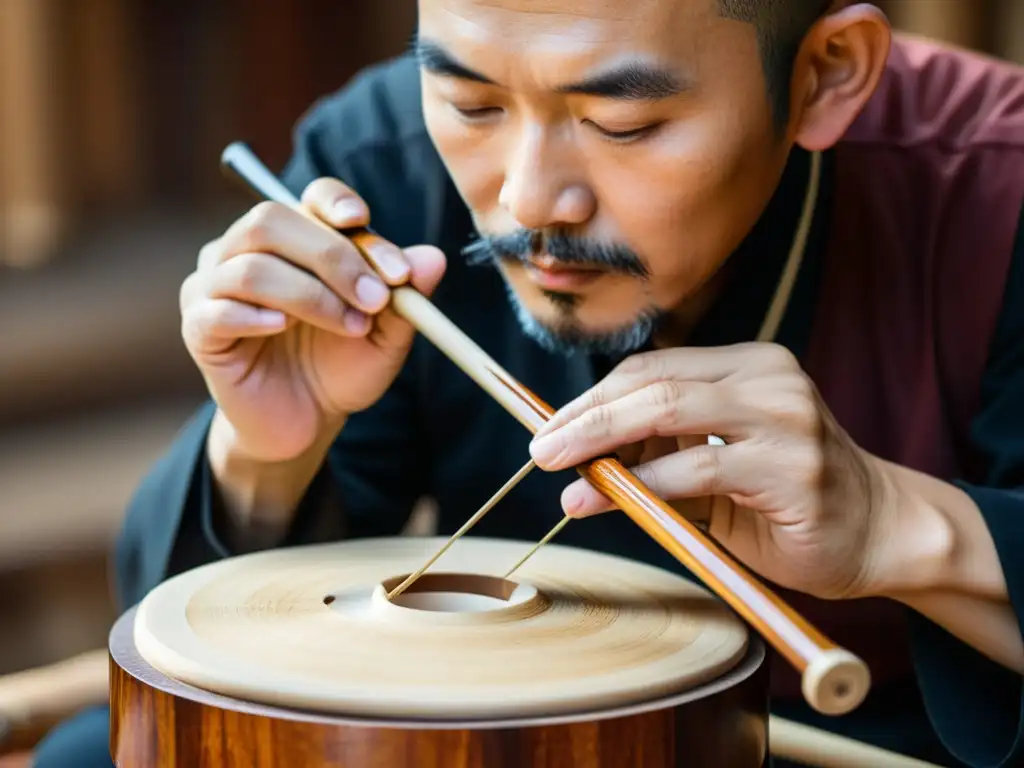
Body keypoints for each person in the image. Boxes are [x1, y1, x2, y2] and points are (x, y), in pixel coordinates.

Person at [32, 0, 1024, 766]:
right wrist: (266, 450)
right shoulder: (378, 168)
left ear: (824, 73)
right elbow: (227, 675)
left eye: (622, 121)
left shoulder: (995, 190)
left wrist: (896, 524)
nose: (527, 198)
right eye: (471, 102)